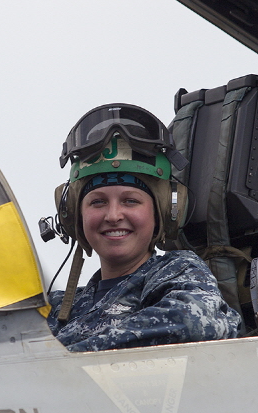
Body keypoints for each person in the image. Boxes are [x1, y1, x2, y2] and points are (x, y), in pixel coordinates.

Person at [46, 103, 242, 352]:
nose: (114, 215)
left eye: (130, 201)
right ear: (73, 215)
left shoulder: (178, 271)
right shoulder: (58, 306)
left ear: (165, 213)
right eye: (98, 202)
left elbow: (193, 322)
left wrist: (60, 358)